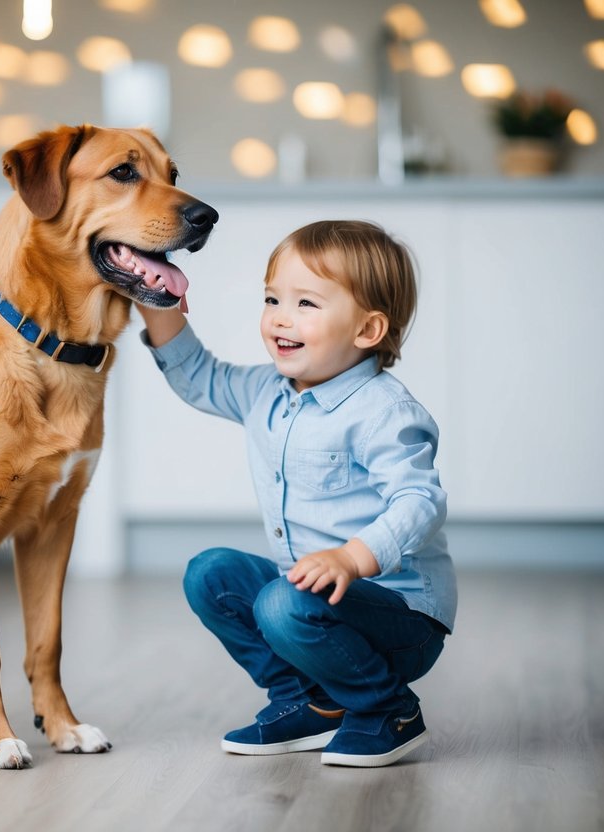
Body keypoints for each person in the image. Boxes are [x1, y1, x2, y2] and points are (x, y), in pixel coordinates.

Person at [138, 220, 456, 768]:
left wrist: (352, 558)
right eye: (272, 298)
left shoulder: (384, 411)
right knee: (210, 573)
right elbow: (197, 375)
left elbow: (419, 501)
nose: (280, 317)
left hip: (400, 618)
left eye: (306, 303)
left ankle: (388, 709)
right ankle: (311, 701)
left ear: (367, 329)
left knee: (282, 601)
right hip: (309, 603)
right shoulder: (266, 390)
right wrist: (156, 296)